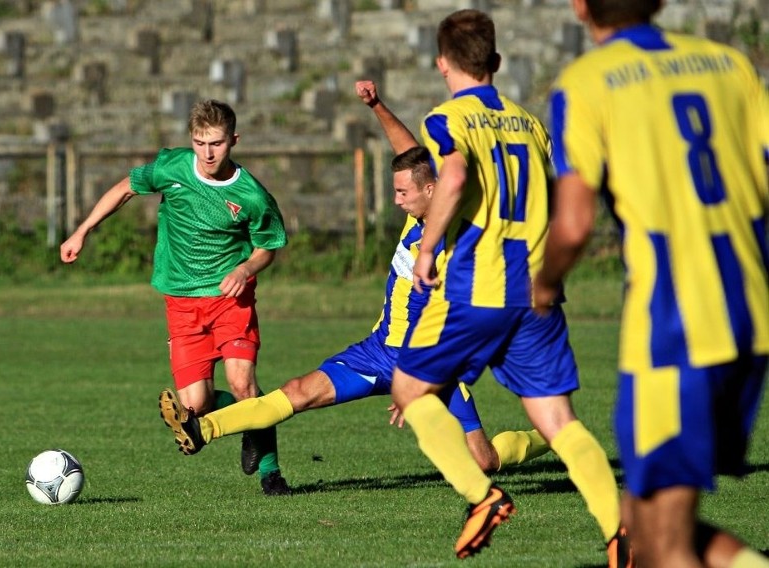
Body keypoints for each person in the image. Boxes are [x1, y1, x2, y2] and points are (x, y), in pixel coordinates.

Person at [160, 80, 551, 476]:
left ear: (432, 190)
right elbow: (408, 155)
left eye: (402, 194)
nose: (396, 201)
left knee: (483, 461)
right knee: (298, 392)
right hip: (379, 350)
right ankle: (203, 427)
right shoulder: (418, 212)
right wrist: (377, 104)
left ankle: (548, 437)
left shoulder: (465, 244)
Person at [387, 9, 629, 565]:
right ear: (496, 62)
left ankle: (483, 497)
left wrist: (426, 249)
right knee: (558, 423)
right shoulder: (531, 124)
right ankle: (619, 533)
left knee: (409, 391)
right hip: (538, 293)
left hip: (479, 287)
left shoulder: (447, 119)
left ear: (441, 63)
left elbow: (453, 176)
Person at [534, 1, 769, 566]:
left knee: (660, 546)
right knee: (649, 521)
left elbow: (573, 224)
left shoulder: (586, 83)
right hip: (751, 312)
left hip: (676, 324)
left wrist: (542, 285)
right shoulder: (728, 63)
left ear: (580, 7)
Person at [59, 99, 292, 496]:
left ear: (234, 140)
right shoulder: (172, 168)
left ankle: (271, 471)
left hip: (229, 301)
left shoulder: (252, 195)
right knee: (195, 405)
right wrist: (82, 231)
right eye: (200, 143)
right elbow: (124, 189)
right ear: (191, 140)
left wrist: (245, 269)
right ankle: (247, 419)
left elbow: (267, 246)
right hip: (181, 303)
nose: (207, 153)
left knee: (242, 384)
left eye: (216, 143)